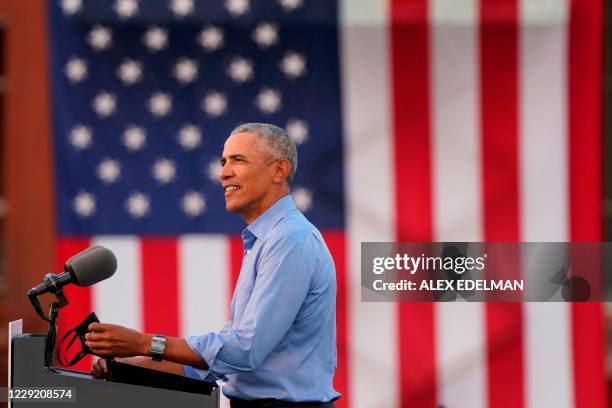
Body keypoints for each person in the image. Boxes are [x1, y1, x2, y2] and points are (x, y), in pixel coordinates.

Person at [87, 123, 340, 407]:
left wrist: (145, 343)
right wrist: (139, 365)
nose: (224, 173)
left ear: (279, 171)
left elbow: (246, 350)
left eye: (238, 160)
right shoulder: (266, 239)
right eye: (223, 162)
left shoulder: (289, 240)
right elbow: (226, 360)